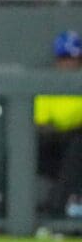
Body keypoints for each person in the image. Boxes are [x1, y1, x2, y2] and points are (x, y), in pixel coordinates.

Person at [35, 30, 82, 217]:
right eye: (64, 57)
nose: (68, 62)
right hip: (53, 148)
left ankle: (56, 209)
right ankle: (61, 208)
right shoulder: (48, 84)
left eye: (73, 57)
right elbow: (42, 124)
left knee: (77, 145)